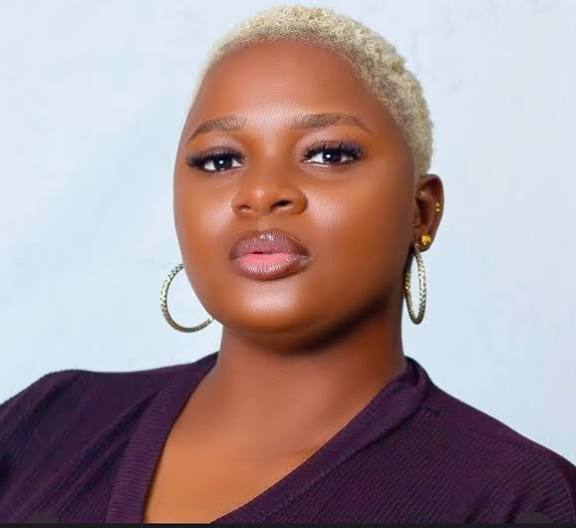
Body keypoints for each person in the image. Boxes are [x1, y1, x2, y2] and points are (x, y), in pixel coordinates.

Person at [1, 4, 575, 524]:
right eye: (220, 160)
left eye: (328, 154)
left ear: (420, 211)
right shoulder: (45, 424)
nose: (261, 192)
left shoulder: (516, 498)